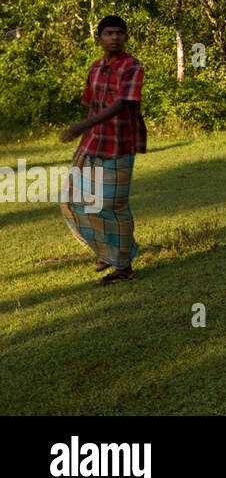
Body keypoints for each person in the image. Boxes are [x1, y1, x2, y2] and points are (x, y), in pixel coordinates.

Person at [58, 15, 146, 285]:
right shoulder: (95, 68)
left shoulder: (133, 66)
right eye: (109, 33)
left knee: (113, 205)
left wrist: (82, 125)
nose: (115, 37)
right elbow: (92, 104)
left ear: (126, 37)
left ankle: (123, 266)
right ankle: (108, 252)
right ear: (99, 38)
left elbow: (122, 103)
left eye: (120, 32)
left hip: (119, 144)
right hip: (92, 142)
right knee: (71, 200)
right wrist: (83, 134)